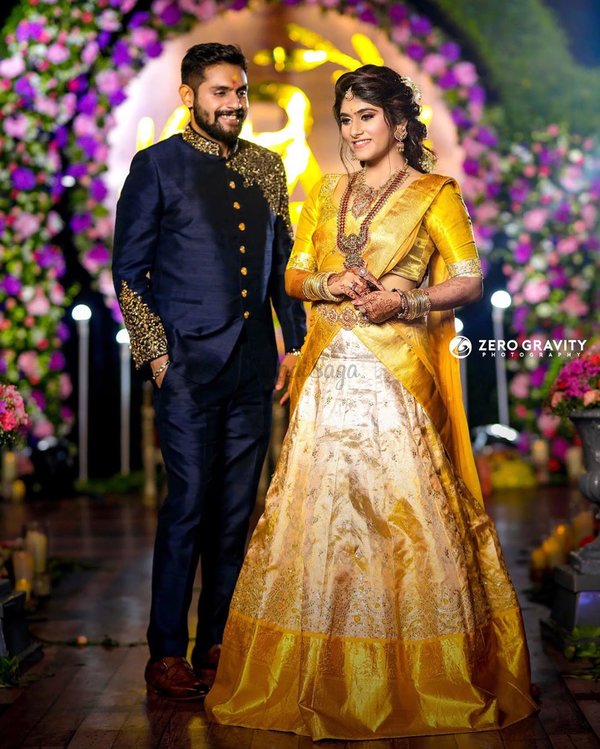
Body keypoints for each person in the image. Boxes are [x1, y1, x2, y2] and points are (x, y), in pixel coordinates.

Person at [205, 65, 538, 738]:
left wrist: (406, 298)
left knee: (403, 524)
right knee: (317, 523)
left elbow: (469, 280)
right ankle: (312, 676)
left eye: (366, 117)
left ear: (399, 123)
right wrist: (329, 281)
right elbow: (295, 275)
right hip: (329, 376)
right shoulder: (327, 192)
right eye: (346, 120)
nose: (354, 131)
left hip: (397, 379)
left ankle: (418, 677)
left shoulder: (435, 194)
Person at [112, 43, 306, 701]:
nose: (233, 104)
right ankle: (165, 651)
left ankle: (215, 640)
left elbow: (281, 272)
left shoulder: (268, 168)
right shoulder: (157, 166)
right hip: (186, 370)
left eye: (241, 92)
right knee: (189, 506)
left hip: (252, 368)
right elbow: (129, 272)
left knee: (234, 511)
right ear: (190, 95)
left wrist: (293, 346)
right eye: (221, 92)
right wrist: (156, 354)